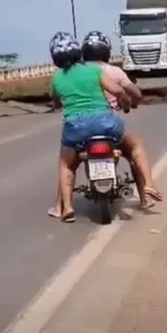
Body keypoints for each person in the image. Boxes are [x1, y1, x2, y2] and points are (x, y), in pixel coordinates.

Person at [49, 31, 131, 222]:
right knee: (129, 142)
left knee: (66, 164)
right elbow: (118, 91)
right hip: (106, 123)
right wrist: (125, 102)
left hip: (76, 128)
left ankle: (67, 207)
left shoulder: (57, 78)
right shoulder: (94, 71)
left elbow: (56, 102)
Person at [81, 30, 162, 209]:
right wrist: (134, 103)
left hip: (83, 126)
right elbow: (136, 93)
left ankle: (63, 203)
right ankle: (146, 195)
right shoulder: (114, 71)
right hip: (109, 125)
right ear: (106, 52)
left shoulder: (79, 73)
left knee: (67, 163)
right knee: (135, 149)